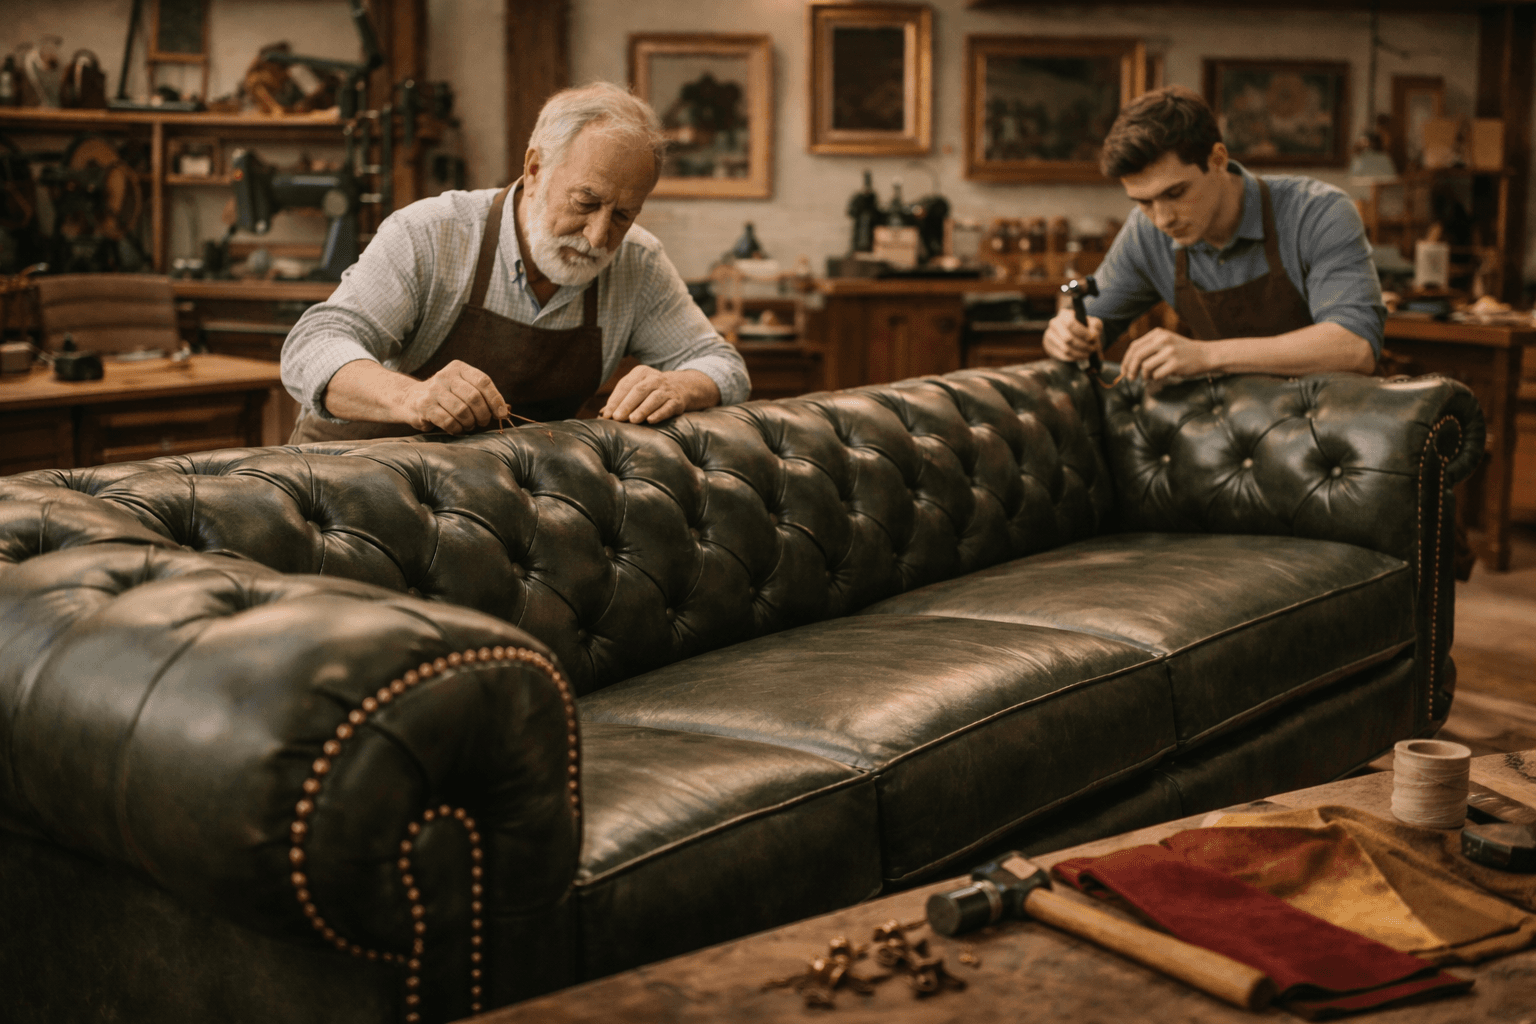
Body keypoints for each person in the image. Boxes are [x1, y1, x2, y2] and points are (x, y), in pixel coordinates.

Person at [281, 82, 750, 442]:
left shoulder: (638, 263)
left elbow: (723, 365)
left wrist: (681, 386)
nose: (598, 236)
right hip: (347, 489)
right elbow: (311, 347)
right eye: (586, 202)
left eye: (624, 215)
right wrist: (413, 395)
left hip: (496, 507)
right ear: (534, 168)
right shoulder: (432, 232)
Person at [1042, 86, 1383, 382]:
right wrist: (1067, 333)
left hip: (1330, 427)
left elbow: (1354, 347)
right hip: (1230, 432)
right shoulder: (1145, 233)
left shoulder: (1317, 212)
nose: (1162, 218)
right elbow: (1090, 318)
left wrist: (1206, 356)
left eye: (1175, 194)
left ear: (1217, 159)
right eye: (1144, 202)